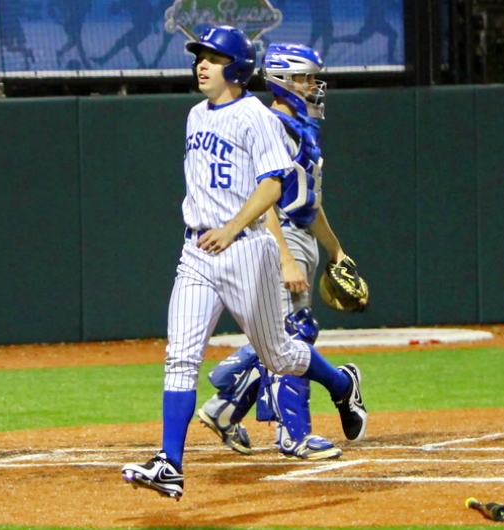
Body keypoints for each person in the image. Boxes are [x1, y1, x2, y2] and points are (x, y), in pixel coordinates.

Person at [120, 26, 367, 501]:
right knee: (180, 356)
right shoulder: (194, 115)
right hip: (196, 251)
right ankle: (170, 463)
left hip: (245, 250)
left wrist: (234, 230)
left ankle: (341, 383)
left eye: (212, 57)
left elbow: (274, 185)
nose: (201, 64)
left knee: (278, 355)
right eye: (200, 56)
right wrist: (212, 229)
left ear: (236, 68)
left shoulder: (256, 115)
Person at [197, 43, 352, 461]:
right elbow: (263, 197)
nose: (313, 85)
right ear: (283, 79)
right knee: (293, 334)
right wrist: (282, 256)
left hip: (298, 235)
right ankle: (293, 433)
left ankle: (226, 406)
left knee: (283, 335)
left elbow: (307, 201)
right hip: (278, 237)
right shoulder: (272, 125)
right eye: (304, 77)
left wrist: (335, 251)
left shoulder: (301, 127)